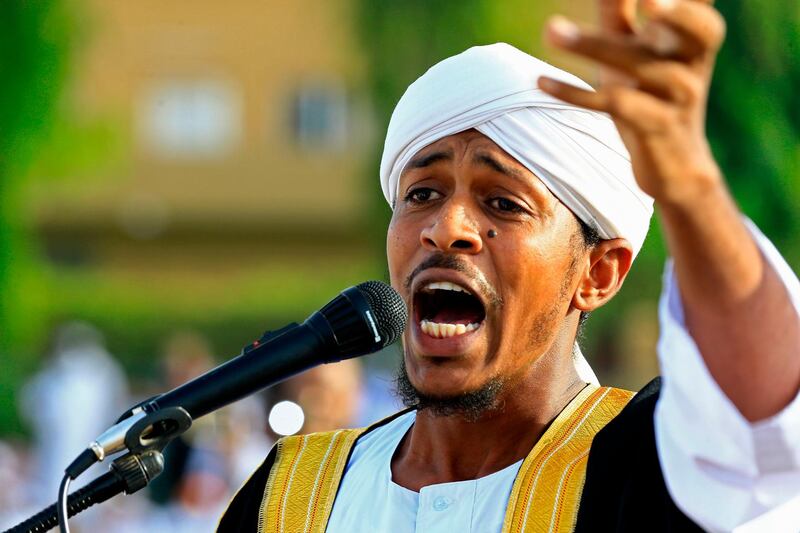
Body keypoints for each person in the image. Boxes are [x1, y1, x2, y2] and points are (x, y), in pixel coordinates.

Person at [218, 0, 800, 531]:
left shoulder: (649, 467)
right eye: (422, 194)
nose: (446, 228)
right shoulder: (288, 495)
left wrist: (689, 181)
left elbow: (765, 422)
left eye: (503, 203)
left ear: (598, 274)